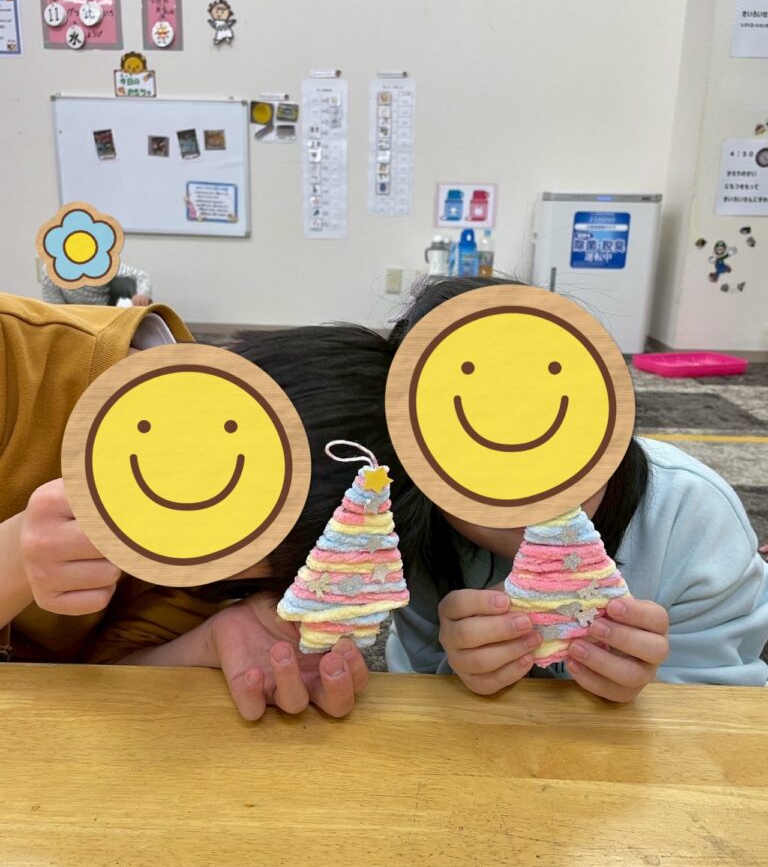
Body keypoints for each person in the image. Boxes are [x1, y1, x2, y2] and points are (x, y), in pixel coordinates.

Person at [381, 276, 768, 696]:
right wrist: (457, 672)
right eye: (478, 471)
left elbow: (730, 692)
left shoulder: (694, 516)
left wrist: (650, 691)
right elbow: (413, 684)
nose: (530, 493)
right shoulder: (417, 537)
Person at [0, 294, 380, 717]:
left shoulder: (212, 581)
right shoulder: (17, 359)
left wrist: (211, 639)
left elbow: (106, 673)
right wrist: (13, 560)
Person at [41, 261, 153, 307]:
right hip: (76, 318)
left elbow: (141, 276)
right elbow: (56, 310)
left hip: (109, 311)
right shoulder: (50, 271)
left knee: (123, 283)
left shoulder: (103, 262)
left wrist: (142, 294)